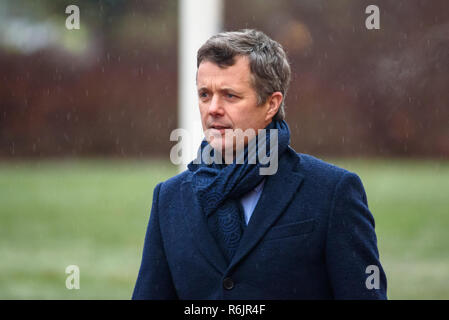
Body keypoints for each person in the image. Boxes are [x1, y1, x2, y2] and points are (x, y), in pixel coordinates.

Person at [132, 29, 387, 299]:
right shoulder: (169, 198)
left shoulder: (332, 191)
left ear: (271, 104)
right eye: (205, 95)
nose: (213, 108)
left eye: (230, 95)